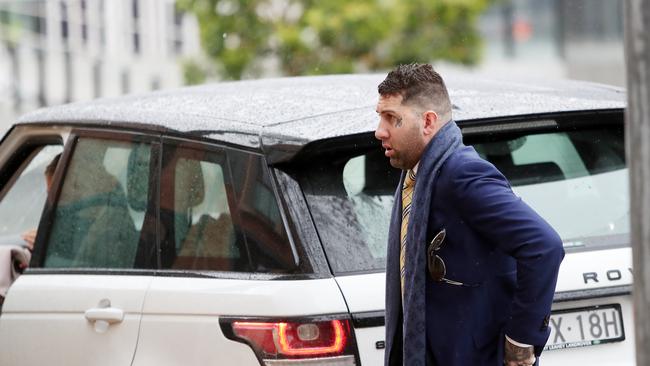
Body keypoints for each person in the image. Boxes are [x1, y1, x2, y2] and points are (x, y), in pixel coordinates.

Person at [374, 64, 564, 366]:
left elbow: (544, 246)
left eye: (392, 119)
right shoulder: (417, 172)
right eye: (380, 117)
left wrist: (520, 342)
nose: (379, 131)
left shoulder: (461, 173)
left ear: (428, 122)